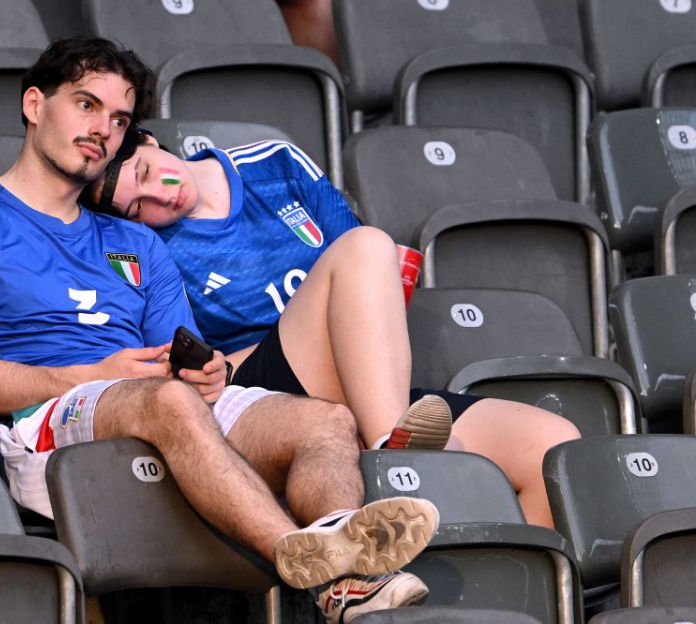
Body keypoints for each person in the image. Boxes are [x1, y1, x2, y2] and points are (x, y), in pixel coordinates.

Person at [0, 37, 440, 624]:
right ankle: (318, 569)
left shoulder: (138, 243)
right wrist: (100, 375)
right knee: (167, 400)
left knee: (326, 421)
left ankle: (346, 570)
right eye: (85, 105)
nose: (102, 128)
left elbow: (175, 363)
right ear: (34, 104)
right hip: (41, 426)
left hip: (156, 404)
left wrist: (203, 373)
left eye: (119, 119)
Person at [81, 130, 582, 529]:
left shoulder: (274, 162)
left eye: (147, 172)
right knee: (364, 246)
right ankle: (396, 450)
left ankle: (493, 607)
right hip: (261, 395)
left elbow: (372, 289)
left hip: (359, 381)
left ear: (149, 140)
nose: (159, 197)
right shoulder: (143, 248)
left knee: (551, 445)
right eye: (136, 206)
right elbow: (184, 366)